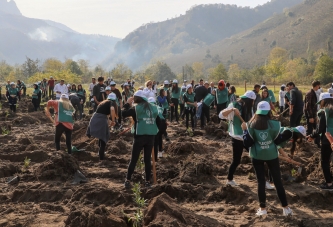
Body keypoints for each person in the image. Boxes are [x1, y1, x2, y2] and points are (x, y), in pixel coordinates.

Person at [242, 101, 293, 216]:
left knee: (260, 182)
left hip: (257, 156)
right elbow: (278, 140)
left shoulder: (250, 125)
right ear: (269, 111)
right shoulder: (274, 124)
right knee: (277, 181)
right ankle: (286, 208)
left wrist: (245, 130)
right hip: (272, 155)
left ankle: (263, 209)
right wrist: (287, 133)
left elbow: (247, 143)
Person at [122, 90, 159, 189]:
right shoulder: (153, 107)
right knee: (147, 160)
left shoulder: (136, 108)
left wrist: (127, 104)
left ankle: (127, 180)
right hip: (151, 136)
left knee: (134, 159)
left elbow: (123, 113)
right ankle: (147, 182)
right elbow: (158, 120)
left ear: (136, 98)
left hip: (140, 136)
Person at [220, 91, 256, 186]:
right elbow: (221, 115)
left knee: (256, 157)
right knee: (236, 160)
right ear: (248, 100)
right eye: (252, 101)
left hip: (247, 136)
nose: (253, 103)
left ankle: (264, 180)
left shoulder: (249, 107)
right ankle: (229, 179)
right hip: (237, 138)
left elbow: (251, 120)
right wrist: (232, 109)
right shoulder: (234, 105)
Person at [308, 93, 333, 190]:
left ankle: (329, 184)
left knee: (325, 161)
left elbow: (320, 129)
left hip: (328, 139)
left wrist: (311, 136)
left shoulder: (323, 112)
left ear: (323, 101)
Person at [87, 93, 118, 160]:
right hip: (100, 119)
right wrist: (113, 120)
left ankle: (101, 153)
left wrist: (110, 122)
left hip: (95, 118)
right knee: (104, 137)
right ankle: (101, 156)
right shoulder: (111, 102)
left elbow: (105, 115)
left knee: (101, 137)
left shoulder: (103, 103)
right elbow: (112, 109)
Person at [304, 80, 321, 147]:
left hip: (313, 114)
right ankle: (307, 144)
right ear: (317, 85)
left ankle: (317, 144)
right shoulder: (310, 93)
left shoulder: (313, 92)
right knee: (310, 129)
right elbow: (308, 105)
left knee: (317, 128)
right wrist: (310, 116)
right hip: (310, 114)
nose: (319, 87)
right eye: (319, 85)